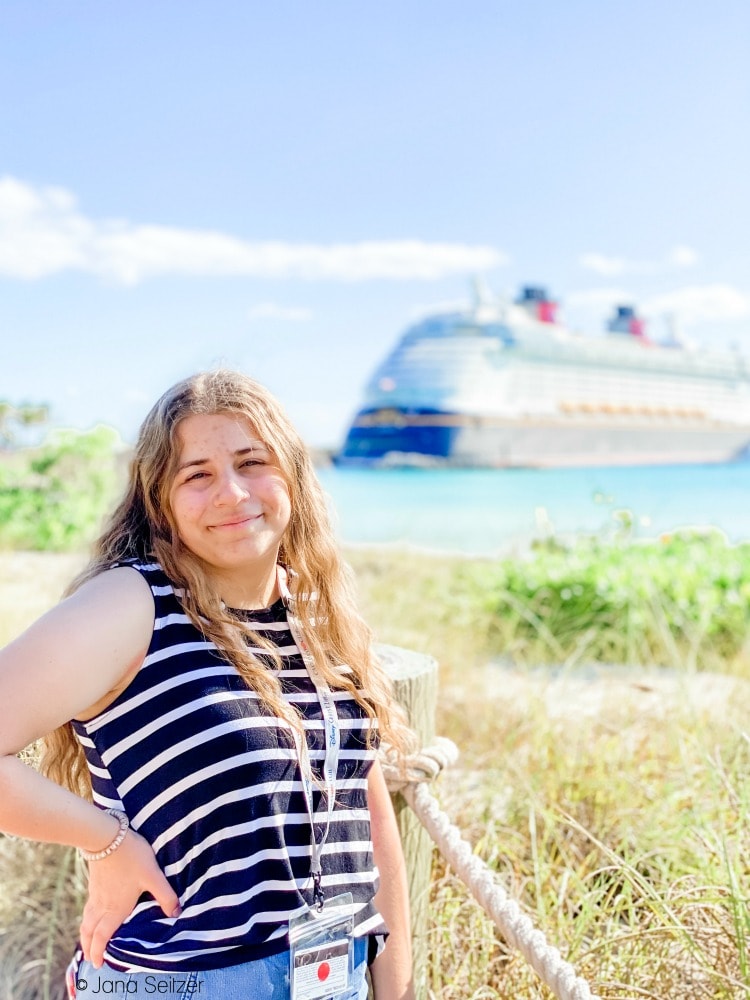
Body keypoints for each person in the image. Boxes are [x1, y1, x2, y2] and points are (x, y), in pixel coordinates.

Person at [0, 370, 416, 1000]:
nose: (231, 492)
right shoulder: (133, 604)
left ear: (293, 478)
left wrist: (398, 987)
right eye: (196, 474)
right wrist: (106, 841)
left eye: (253, 462)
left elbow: (366, 809)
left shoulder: (314, 611)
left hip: (338, 977)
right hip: (186, 984)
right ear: (159, 500)